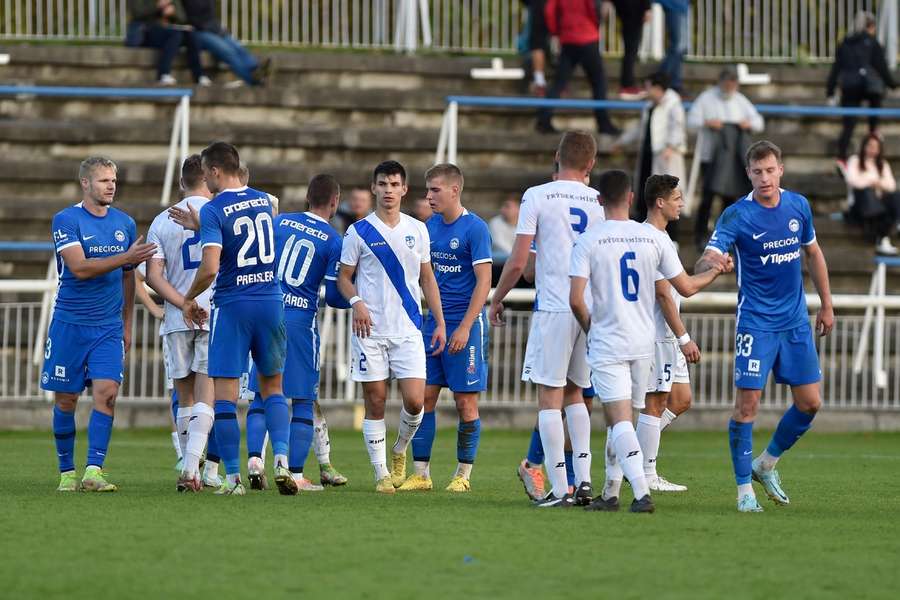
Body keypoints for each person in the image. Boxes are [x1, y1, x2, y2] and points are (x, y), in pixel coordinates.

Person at [569, 169, 730, 514]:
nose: (682, 204)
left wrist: (591, 328)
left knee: (620, 418)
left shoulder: (591, 239)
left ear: (599, 201)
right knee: (628, 416)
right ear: (630, 198)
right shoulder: (654, 240)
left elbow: (576, 299)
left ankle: (641, 491)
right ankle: (611, 492)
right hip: (645, 340)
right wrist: (716, 271)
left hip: (611, 339)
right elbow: (683, 287)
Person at [695, 141, 834, 513]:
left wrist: (827, 304)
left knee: (810, 402)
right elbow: (707, 255)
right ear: (749, 174)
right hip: (755, 322)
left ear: (781, 170)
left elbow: (814, 253)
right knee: (747, 406)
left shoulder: (798, 206)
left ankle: (766, 463)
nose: (765, 178)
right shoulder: (737, 215)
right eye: (757, 172)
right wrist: (712, 263)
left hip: (794, 320)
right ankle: (744, 492)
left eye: (770, 170)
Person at [490, 131, 605, 508]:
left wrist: (498, 297)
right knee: (577, 395)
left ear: (557, 156)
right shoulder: (598, 201)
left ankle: (558, 488)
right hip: (589, 309)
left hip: (555, 306)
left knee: (549, 399)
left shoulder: (537, 195)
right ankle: (584, 482)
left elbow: (520, 261)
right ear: (590, 164)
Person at [181, 141, 293, 497]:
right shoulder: (265, 200)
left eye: (206, 174)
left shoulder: (214, 209)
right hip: (271, 301)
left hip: (233, 305)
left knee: (226, 397)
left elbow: (211, 266)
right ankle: (282, 462)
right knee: (273, 388)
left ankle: (232, 479)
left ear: (214, 171)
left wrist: (187, 297)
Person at [42, 156, 157, 492]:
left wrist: (127, 323)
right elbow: (79, 267)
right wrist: (126, 258)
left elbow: (128, 278)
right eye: (105, 180)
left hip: (107, 326)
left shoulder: (124, 223)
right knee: (66, 399)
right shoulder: (66, 220)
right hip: (70, 323)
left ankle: (94, 471)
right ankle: (66, 472)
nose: (111, 186)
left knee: (107, 394)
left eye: (114, 180)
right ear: (86, 184)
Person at [337, 161, 446, 494]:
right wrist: (356, 303)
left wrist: (439, 322)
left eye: (394, 184)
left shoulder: (418, 229)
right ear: (373, 188)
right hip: (370, 331)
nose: (388, 190)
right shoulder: (358, 232)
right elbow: (344, 277)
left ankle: (399, 450)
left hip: (409, 328)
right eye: (382, 183)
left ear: (404, 189)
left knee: (416, 402)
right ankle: (381, 472)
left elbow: (427, 278)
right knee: (377, 402)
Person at [243, 174, 354, 492]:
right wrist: (358, 302)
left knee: (262, 395)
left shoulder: (280, 223)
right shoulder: (334, 240)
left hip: (264, 311)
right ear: (334, 202)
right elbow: (333, 297)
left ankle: (254, 460)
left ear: (307, 197)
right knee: (303, 399)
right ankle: (294, 473)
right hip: (300, 321)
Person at [403, 164, 492, 493]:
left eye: (435, 190)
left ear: (455, 190)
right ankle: (421, 474)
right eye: (427, 190)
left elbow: (485, 282)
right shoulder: (428, 227)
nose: (428, 196)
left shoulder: (475, 229)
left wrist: (466, 326)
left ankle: (462, 475)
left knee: (465, 403)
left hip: (465, 327)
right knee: (422, 398)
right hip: (434, 326)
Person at [144, 154, 215, 492]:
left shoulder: (161, 220)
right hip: (213, 313)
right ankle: (192, 469)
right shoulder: (218, 214)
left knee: (184, 395)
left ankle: (190, 468)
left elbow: (152, 276)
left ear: (182, 182)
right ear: (210, 178)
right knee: (207, 391)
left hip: (176, 317)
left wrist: (181, 303)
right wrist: (195, 301)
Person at [638, 174, 700, 492]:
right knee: (656, 401)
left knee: (681, 399)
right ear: (660, 202)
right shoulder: (652, 238)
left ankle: (632, 453)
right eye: (677, 198)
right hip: (660, 334)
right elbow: (668, 294)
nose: (682, 204)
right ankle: (645, 472)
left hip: (666, 334)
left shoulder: (662, 239)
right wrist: (684, 337)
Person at [687, 67, 764, 250]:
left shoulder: (740, 101)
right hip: (710, 157)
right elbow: (691, 121)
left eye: (733, 83)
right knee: (708, 196)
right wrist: (708, 123)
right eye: (727, 83)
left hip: (732, 161)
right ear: (720, 82)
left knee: (729, 199)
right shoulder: (707, 98)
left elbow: (758, 122)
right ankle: (700, 235)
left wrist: (748, 124)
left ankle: (725, 235)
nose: (729, 86)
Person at [536, 0, 620, 136]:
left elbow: (550, 11)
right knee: (599, 83)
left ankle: (543, 119)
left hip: (568, 38)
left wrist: (557, 31)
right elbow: (593, 8)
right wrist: (595, 23)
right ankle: (603, 123)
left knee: (558, 84)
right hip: (587, 37)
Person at [613, 71, 686, 224]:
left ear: (658, 88)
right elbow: (641, 128)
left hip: (664, 156)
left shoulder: (673, 103)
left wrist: (670, 146)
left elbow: (678, 127)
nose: (646, 90)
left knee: (667, 196)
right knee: (645, 193)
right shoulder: (649, 106)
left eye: (649, 87)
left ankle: (672, 235)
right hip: (648, 155)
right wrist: (622, 141)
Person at [827, 11, 896, 162]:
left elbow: (835, 70)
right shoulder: (872, 43)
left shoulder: (845, 43)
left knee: (849, 125)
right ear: (870, 27)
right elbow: (881, 68)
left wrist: (830, 92)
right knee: (875, 105)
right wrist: (893, 85)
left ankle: (841, 157)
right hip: (868, 87)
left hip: (849, 87)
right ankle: (873, 135)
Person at [182, 0, 270, 87]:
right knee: (228, 52)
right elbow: (194, 19)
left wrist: (219, 29)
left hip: (214, 29)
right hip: (198, 32)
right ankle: (253, 80)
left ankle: (256, 69)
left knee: (238, 47)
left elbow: (210, 17)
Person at [125, 0, 208, 86]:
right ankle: (163, 74)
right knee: (175, 35)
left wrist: (173, 13)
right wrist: (158, 6)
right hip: (147, 31)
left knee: (191, 35)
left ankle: (199, 76)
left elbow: (182, 17)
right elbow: (137, 12)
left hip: (170, 27)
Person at [845, 133, 900, 254]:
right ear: (864, 146)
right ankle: (883, 234)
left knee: (896, 197)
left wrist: (878, 183)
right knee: (866, 192)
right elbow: (853, 180)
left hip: (879, 203)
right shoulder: (854, 161)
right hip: (861, 204)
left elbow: (891, 185)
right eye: (870, 146)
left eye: (876, 147)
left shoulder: (882, 164)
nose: (872, 149)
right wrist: (872, 181)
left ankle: (887, 232)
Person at [607, 0, 652, 99]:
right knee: (631, 50)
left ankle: (627, 83)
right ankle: (627, 84)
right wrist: (647, 7)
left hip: (626, 8)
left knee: (630, 49)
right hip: (633, 9)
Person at [655, 0, 689, 94]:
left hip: (680, 6)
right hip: (675, 5)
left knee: (680, 47)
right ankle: (659, 80)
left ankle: (674, 83)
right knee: (678, 46)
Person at [488, 195, 519, 259]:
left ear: (518, 209)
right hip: (498, 263)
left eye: (507, 206)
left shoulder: (525, 223)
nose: (503, 209)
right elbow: (499, 244)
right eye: (502, 206)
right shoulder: (495, 222)